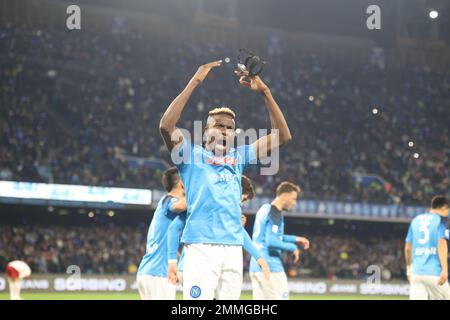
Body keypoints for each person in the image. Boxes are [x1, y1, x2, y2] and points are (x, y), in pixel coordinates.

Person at [159, 60, 291, 300]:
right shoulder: (191, 155)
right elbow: (166, 126)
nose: (223, 130)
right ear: (205, 131)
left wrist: (265, 92)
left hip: (232, 249)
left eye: (229, 127)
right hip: (200, 247)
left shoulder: (239, 157)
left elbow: (282, 136)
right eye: (217, 125)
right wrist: (195, 81)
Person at [167, 175, 270, 291]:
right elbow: (173, 228)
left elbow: (239, 232)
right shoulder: (204, 202)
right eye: (244, 199)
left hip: (204, 267)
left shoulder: (226, 211)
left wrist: (258, 257)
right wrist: (172, 262)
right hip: (195, 267)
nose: (242, 204)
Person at [249, 181, 310, 300]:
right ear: (284, 196)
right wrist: (293, 247)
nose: (294, 203)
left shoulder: (264, 209)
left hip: (256, 265)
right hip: (271, 267)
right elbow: (271, 242)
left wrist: (296, 239)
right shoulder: (275, 213)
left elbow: (272, 236)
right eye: (293, 199)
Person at [136, 167, 187, 299]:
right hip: (158, 273)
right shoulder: (169, 200)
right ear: (182, 183)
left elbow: (168, 240)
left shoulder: (163, 205)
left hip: (149, 272)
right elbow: (180, 206)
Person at [405, 195, 450, 300]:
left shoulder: (415, 221)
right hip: (434, 273)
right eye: (448, 210)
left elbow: (407, 248)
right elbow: (442, 244)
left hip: (416, 274)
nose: (448, 213)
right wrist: (444, 270)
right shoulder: (440, 221)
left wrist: (409, 268)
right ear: (444, 207)